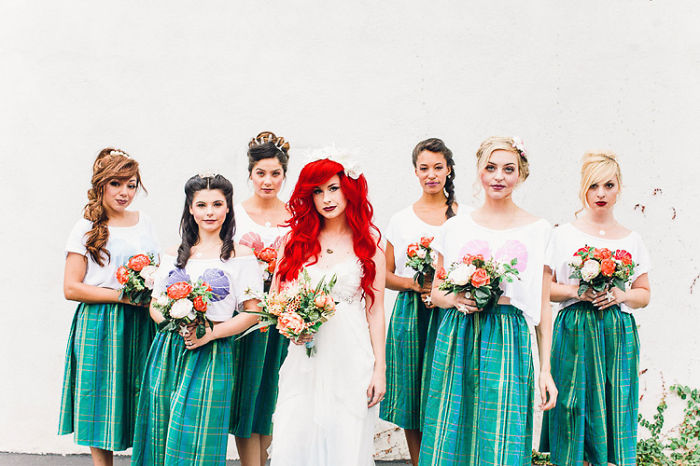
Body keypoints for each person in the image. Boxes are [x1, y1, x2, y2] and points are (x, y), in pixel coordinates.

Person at [420, 136, 558, 465]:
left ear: (520, 175)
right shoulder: (454, 228)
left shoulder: (539, 230)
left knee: (503, 437)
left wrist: (545, 370)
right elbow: (436, 292)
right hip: (459, 331)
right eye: (491, 168)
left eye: (508, 169)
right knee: (451, 432)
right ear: (479, 172)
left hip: (510, 335)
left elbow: (543, 306)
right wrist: (456, 298)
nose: (499, 176)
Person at [131, 174, 262, 466]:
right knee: (161, 428)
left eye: (217, 204)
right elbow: (155, 305)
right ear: (190, 209)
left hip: (212, 352)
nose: (210, 212)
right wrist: (173, 322)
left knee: (198, 435)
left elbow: (253, 312)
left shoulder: (241, 256)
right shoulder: (174, 255)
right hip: (168, 350)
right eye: (201, 205)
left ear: (228, 208)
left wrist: (211, 333)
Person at [269, 154, 386, 466]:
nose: (326, 199)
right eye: (317, 192)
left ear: (349, 188)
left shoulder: (370, 244)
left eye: (333, 188)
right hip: (306, 352)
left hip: (351, 352)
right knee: (297, 430)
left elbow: (376, 312)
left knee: (345, 433)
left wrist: (380, 369)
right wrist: (291, 325)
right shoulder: (294, 240)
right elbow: (276, 299)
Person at [539, 152, 651, 466]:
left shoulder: (632, 239)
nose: (600, 193)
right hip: (574, 329)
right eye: (593, 186)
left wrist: (621, 294)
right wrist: (577, 290)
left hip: (616, 333)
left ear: (619, 188)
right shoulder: (562, 235)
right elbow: (543, 288)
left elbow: (644, 295)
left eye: (608, 185)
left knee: (614, 403)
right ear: (583, 190)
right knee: (574, 407)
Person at [59, 148, 158, 466]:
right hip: (100, 323)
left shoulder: (144, 222)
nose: (125, 192)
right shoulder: (84, 227)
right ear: (101, 184)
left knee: (143, 393)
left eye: (131, 185)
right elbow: (71, 288)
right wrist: (122, 296)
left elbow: (157, 267)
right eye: (117, 184)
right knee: (100, 397)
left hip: (142, 321)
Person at [380, 138, 461, 465]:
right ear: (415, 171)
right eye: (424, 168)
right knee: (412, 395)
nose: (431, 174)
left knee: (447, 392)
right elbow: (383, 275)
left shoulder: (464, 217)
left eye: (438, 167)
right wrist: (416, 284)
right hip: (411, 316)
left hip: (453, 315)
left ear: (449, 170)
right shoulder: (400, 220)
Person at [231, 131, 291, 466]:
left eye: (275, 173)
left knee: (273, 395)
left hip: (284, 316)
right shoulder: (234, 214)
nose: (268, 181)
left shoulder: (295, 215)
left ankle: (266, 461)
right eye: (261, 173)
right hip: (247, 315)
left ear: (284, 174)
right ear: (250, 174)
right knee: (248, 395)